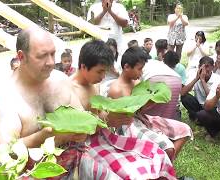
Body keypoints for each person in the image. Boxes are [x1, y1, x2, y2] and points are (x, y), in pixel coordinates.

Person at [0, 28, 116, 179]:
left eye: (52, 53)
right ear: (21, 56)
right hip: (35, 174)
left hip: (76, 161)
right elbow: (6, 154)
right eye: (42, 56)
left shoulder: (60, 80)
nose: (51, 62)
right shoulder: (7, 99)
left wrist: (102, 122)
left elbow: (84, 121)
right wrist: (46, 135)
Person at [71, 40, 176, 179]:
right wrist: (108, 120)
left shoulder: (93, 84)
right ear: (83, 66)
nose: (103, 77)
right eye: (100, 71)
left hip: (105, 136)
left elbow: (100, 113)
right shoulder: (70, 89)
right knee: (133, 172)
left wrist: (113, 116)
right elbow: (76, 131)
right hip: (85, 146)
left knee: (157, 153)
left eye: (105, 71)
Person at [108, 47, 192, 161]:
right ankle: (162, 169)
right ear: (126, 67)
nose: (141, 73)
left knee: (185, 129)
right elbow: (119, 116)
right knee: (167, 148)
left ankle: (165, 167)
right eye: (139, 69)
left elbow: (140, 110)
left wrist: (151, 102)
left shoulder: (137, 82)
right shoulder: (116, 89)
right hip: (127, 125)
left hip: (142, 119)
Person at [181, 56, 220, 123]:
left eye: (207, 66)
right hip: (199, 106)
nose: (205, 70)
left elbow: (211, 98)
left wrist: (203, 81)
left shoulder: (218, 79)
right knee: (185, 97)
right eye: (202, 67)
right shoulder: (195, 75)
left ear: (213, 67)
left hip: (212, 107)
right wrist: (196, 79)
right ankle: (196, 118)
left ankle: (203, 119)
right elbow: (182, 92)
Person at [142, 53, 182, 120]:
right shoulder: (157, 63)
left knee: (149, 111)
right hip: (176, 80)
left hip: (153, 78)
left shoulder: (141, 64)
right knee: (168, 111)